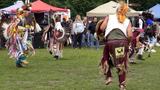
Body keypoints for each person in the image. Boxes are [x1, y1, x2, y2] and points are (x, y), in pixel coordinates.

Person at [98, 1, 132, 90]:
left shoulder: (109, 17)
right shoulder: (127, 20)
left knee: (105, 58)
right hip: (121, 43)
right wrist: (127, 43)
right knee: (121, 64)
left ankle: (108, 76)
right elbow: (130, 35)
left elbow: (101, 28)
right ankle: (122, 85)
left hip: (110, 42)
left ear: (116, 10)